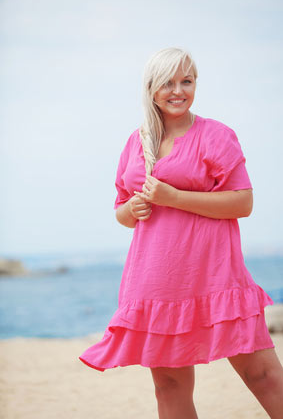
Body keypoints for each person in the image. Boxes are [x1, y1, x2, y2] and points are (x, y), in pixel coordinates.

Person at [79, 47, 283, 418]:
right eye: (168, 83)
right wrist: (131, 209)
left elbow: (243, 203)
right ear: (151, 88)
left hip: (216, 277)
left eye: (186, 81)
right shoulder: (136, 142)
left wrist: (174, 196)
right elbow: (122, 212)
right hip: (157, 284)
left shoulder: (216, 135)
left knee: (263, 376)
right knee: (168, 386)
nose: (178, 91)